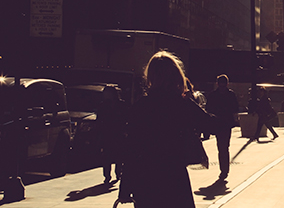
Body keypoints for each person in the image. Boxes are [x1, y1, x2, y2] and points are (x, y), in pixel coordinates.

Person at [120, 51, 212, 207]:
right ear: (176, 75)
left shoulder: (142, 106)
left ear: (151, 76)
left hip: (146, 180)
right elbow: (210, 124)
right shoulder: (181, 104)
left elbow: (131, 149)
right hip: (174, 177)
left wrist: (125, 187)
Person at [200, 74, 240, 192]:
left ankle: (224, 170)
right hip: (222, 124)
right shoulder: (229, 95)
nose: (222, 86)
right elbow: (235, 108)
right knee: (222, 147)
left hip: (222, 124)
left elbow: (209, 109)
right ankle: (224, 170)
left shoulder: (215, 95)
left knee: (223, 147)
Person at [96, 85, 127, 185]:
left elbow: (126, 118)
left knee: (119, 155)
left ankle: (118, 173)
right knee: (107, 156)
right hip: (108, 133)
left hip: (118, 133)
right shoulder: (103, 106)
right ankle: (107, 176)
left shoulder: (121, 105)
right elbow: (99, 120)